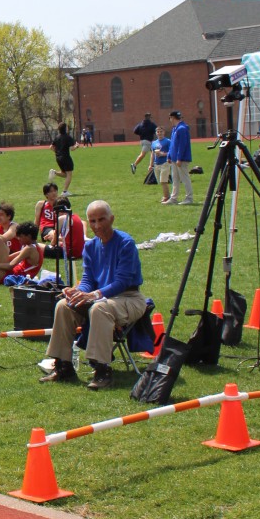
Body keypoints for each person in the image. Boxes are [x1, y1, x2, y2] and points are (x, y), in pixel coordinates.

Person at [39, 199, 145, 391]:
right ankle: (63, 365)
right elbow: (88, 279)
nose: (97, 225)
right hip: (103, 298)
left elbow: (122, 282)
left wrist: (94, 295)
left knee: (99, 308)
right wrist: (77, 291)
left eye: (101, 219)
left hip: (129, 298)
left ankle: (102, 369)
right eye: (93, 221)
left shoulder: (126, 243)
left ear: (111, 219)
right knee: (64, 305)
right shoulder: (90, 247)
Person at [166, 110, 193, 205]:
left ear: (172, 118)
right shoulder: (175, 129)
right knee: (175, 179)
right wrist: (169, 155)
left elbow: (182, 145)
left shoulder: (182, 129)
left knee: (185, 178)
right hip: (174, 158)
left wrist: (179, 158)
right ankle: (174, 198)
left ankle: (189, 198)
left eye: (170, 118)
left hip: (181, 159)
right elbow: (172, 144)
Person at [50, 121, 77, 192]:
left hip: (58, 158)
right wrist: (76, 146)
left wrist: (57, 152)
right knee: (69, 174)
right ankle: (65, 191)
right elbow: (72, 149)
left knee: (65, 174)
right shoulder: (68, 137)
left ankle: (54, 172)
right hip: (66, 157)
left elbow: (51, 147)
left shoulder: (57, 137)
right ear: (66, 128)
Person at [150, 126, 172, 202]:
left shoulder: (168, 141)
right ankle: (168, 195)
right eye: (158, 132)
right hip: (157, 164)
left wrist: (163, 154)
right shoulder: (154, 143)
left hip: (165, 162)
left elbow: (172, 152)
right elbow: (152, 154)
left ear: (164, 132)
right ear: (156, 133)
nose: (159, 133)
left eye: (161, 131)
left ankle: (166, 197)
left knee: (163, 181)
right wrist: (150, 164)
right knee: (160, 181)